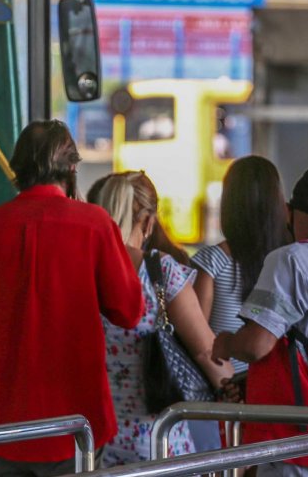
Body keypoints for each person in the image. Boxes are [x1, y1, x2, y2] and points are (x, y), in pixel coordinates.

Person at [0, 120, 144, 476]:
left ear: (16, 169)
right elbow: (129, 311)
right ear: (71, 169)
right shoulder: (95, 225)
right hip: (76, 428)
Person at [211, 165, 308, 477]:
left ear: (288, 212)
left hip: (299, 449)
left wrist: (226, 343)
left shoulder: (291, 260)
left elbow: (256, 344)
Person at [92, 172, 233, 465]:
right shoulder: (160, 271)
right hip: (156, 440)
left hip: (94, 442)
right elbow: (206, 350)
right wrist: (236, 387)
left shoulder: (82, 268)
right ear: (147, 222)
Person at [192, 156, 290, 377]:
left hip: (222, 392)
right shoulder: (291, 262)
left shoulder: (212, 262)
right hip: (279, 396)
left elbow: (197, 340)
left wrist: (228, 390)